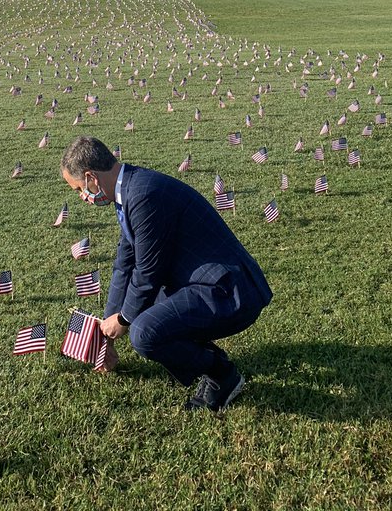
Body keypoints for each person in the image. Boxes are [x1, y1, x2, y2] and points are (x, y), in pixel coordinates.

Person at [60, 136, 272, 412]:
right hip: (202, 282)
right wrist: (107, 332)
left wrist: (123, 319)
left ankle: (222, 375)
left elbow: (148, 272)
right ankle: (202, 355)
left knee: (144, 332)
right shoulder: (130, 190)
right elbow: (124, 264)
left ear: (91, 178)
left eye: (79, 189)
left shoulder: (144, 195)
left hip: (228, 290)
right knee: (145, 317)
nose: (82, 197)